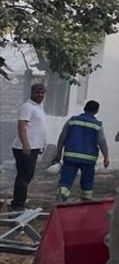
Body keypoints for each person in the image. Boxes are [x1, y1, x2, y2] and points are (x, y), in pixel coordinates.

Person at [49, 100, 110, 201]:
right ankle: (86, 200)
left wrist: (58, 154)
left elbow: (62, 137)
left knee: (66, 180)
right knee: (87, 181)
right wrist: (106, 157)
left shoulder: (72, 121)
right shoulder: (97, 125)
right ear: (96, 111)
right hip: (88, 160)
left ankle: (62, 196)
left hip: (70, 157)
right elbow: (102, 142)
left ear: (84, 108)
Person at [9, 83, 48, 211]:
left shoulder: (39, 107)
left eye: (42, 93)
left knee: (27, 175)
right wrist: (25, 144)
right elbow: (22, 125)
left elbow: (37, 128)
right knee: (24, 175)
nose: (40, 95)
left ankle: (19, 201)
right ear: (32, 93)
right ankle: (18, 204)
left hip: (34, 147)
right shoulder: (27, 107)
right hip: (23, 147)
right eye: (37, 92)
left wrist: (41, 146)